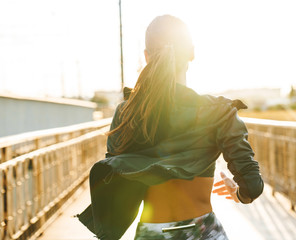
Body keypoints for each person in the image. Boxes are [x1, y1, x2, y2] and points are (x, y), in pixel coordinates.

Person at [77, 15, 264, 240]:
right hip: (205, 233)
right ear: (191, 53)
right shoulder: (219, 112)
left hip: (153, 234)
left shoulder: (127, 113)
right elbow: (252, 186)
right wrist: (239, 193)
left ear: (147, 57)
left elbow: (114, 180)